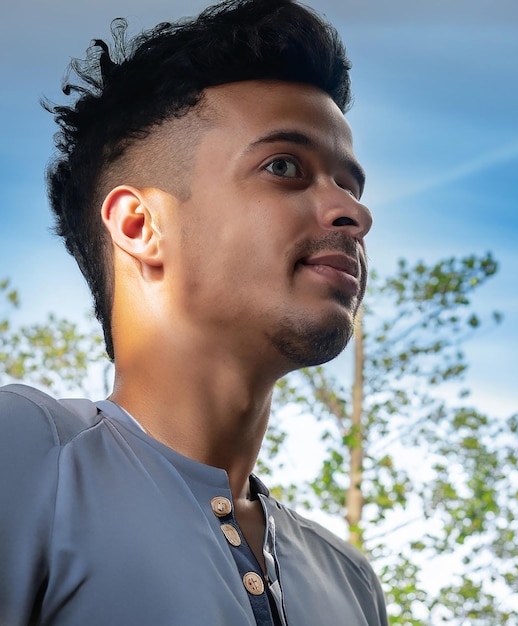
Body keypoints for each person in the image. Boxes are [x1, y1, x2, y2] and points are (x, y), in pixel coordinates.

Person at [0, 0, 387, 624]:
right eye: (284, 166)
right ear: (140, 225)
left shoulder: (351, 583)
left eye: (350, 185)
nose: (354, 214)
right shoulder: (25, 453)